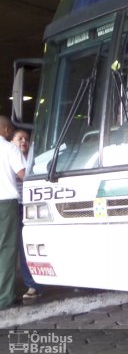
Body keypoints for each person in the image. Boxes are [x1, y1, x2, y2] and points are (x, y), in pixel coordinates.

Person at [12, 129, 43, 300]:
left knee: (28, 248)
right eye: (19, 138)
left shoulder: (35, 161)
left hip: (32, 207)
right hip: (15, 207)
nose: (23, 141)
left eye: (26, 138)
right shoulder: (9, 158)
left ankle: (33, 285)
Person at [0, 116, 25, 309]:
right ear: (6, 130)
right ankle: (4, 297)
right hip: (5, 204)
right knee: (7, 250)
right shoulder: (9, 148)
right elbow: (23, 174)